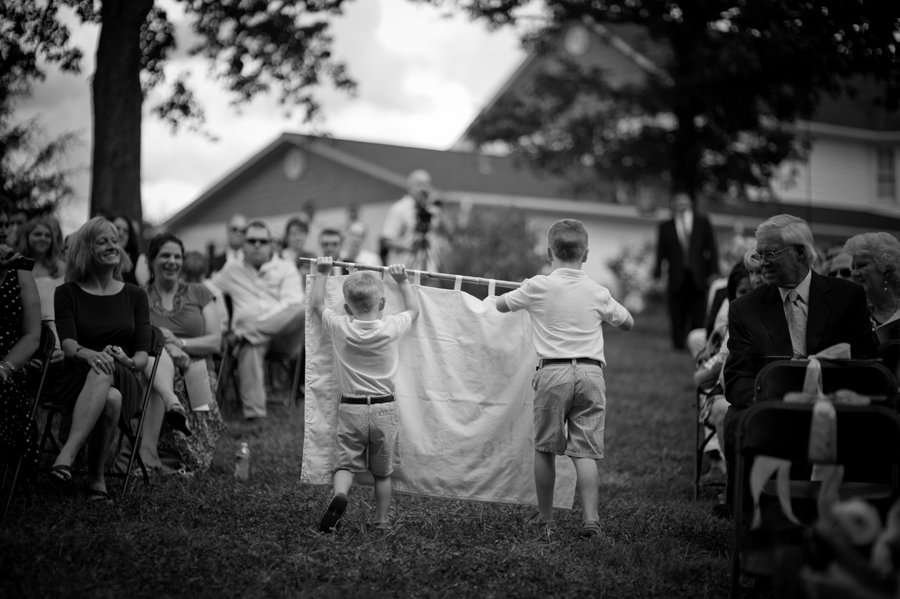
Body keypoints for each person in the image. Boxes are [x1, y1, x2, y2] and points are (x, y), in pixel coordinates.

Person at [721, 215, 878, 509]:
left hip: (836, 406)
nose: (762, 262)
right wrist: (775, 401)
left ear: (800, 253)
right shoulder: (745, 309)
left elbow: (866, 363)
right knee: (736, 420)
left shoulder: (847, 297)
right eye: (759, 254)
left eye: (770, 254)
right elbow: (737, 377)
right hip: (771, 407)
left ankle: (856, 514)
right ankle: (753, 514)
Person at [494, 219, 634, 539]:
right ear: (585, 255)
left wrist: (522, 293)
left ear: (548, 252)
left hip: (553, 372)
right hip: (591, 373)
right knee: (584, 452)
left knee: (546, 449)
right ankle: (591, 521)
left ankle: (546, 520)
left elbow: (502, 305)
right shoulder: (598, 291)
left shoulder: (537, 285)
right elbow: (627, 322)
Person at [311, 257, 419, 533]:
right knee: (382, 473)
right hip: (384, 409)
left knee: (344, 465)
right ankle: (382, 522)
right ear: (382, 305)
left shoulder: (341, 327)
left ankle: (340, 495)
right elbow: (414, 310)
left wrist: (322, 273)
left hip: (351, 408)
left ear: (347, 308)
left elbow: (316, 306)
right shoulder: (391, 327)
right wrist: (403, 280)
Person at [50, 217, 151, 500]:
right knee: (111, 398)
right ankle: (96, 478)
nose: (112, 245)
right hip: (75, 375)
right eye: (103, 241)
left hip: (124, 372)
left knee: (106, 369)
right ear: (85, 250)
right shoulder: (67, 293)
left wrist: (126, 359)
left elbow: (142, 357)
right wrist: (91, 354)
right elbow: (69, 344)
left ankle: (67, 453)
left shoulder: (135, 295)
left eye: (115, 240)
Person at [139, 234, 225, 474]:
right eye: (165, 255)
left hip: (197, 371)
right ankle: (151, 453)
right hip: (154, 367)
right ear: (151, 261)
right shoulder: (138, 296)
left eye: (177, 256)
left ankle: (160, 455)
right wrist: (166, 347)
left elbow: (215, 341)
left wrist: (180, 343)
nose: (172, 261)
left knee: (167, 378)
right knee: (155, 371)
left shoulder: (199, 292)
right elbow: (135, 338)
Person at [210, 220, 304, 420]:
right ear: (244, 244)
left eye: (263, 241)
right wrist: (221, 321)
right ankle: (255, 416)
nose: (257, 245)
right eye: (252, 241)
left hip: (282, 337)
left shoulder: (286, 268)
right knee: (250, 344)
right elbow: (208, 289)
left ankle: (243, 334)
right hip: (249, 342)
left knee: (301, 308)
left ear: (271, 244)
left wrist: (253, 327)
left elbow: (292, 303)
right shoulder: (232, 269)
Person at [0, 200, 42, 491]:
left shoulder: (22, 272)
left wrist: (5, 365)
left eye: (5, 224)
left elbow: (32, 336)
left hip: (8, 364)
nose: (3, 231)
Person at [653, 191, 719, 350]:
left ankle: (695, 343)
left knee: (698, 311)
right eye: (677, 202)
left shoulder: (702, 223)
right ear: (673, 205)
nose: (680, 205)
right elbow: (660, 251)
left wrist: (713, 272)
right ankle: (678, 344)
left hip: (698, 276)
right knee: (676, 311)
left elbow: (712, 248)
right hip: (676, 275)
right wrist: (657, 273)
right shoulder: (665, 227)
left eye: (684, 202)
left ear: (690, 204)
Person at [16, 217, 67, 363]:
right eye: (37, 234)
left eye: (47, 235)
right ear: (27, 236)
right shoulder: (16, 265)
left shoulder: (60, 267)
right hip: (22, 330)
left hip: (52, 335)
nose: (43, 238)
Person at [380, 169, 443, 272]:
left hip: (428, 271)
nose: (424, 189)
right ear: (409, 187)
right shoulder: (399, 209)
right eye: (420, 184)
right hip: (404, 272)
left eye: (427, 184)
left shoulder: (433, 210)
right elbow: (386, 240)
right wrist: (409, 245)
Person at [843, 233, 900, 330]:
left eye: (862, 265)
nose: (854, 273)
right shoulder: (853, 314)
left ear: (887, 270)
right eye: (853, 267)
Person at [111, 214, 150, 287]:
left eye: (126, 231)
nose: (121, 233)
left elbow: (146, 292)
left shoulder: (139, 260)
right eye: (117, 228)